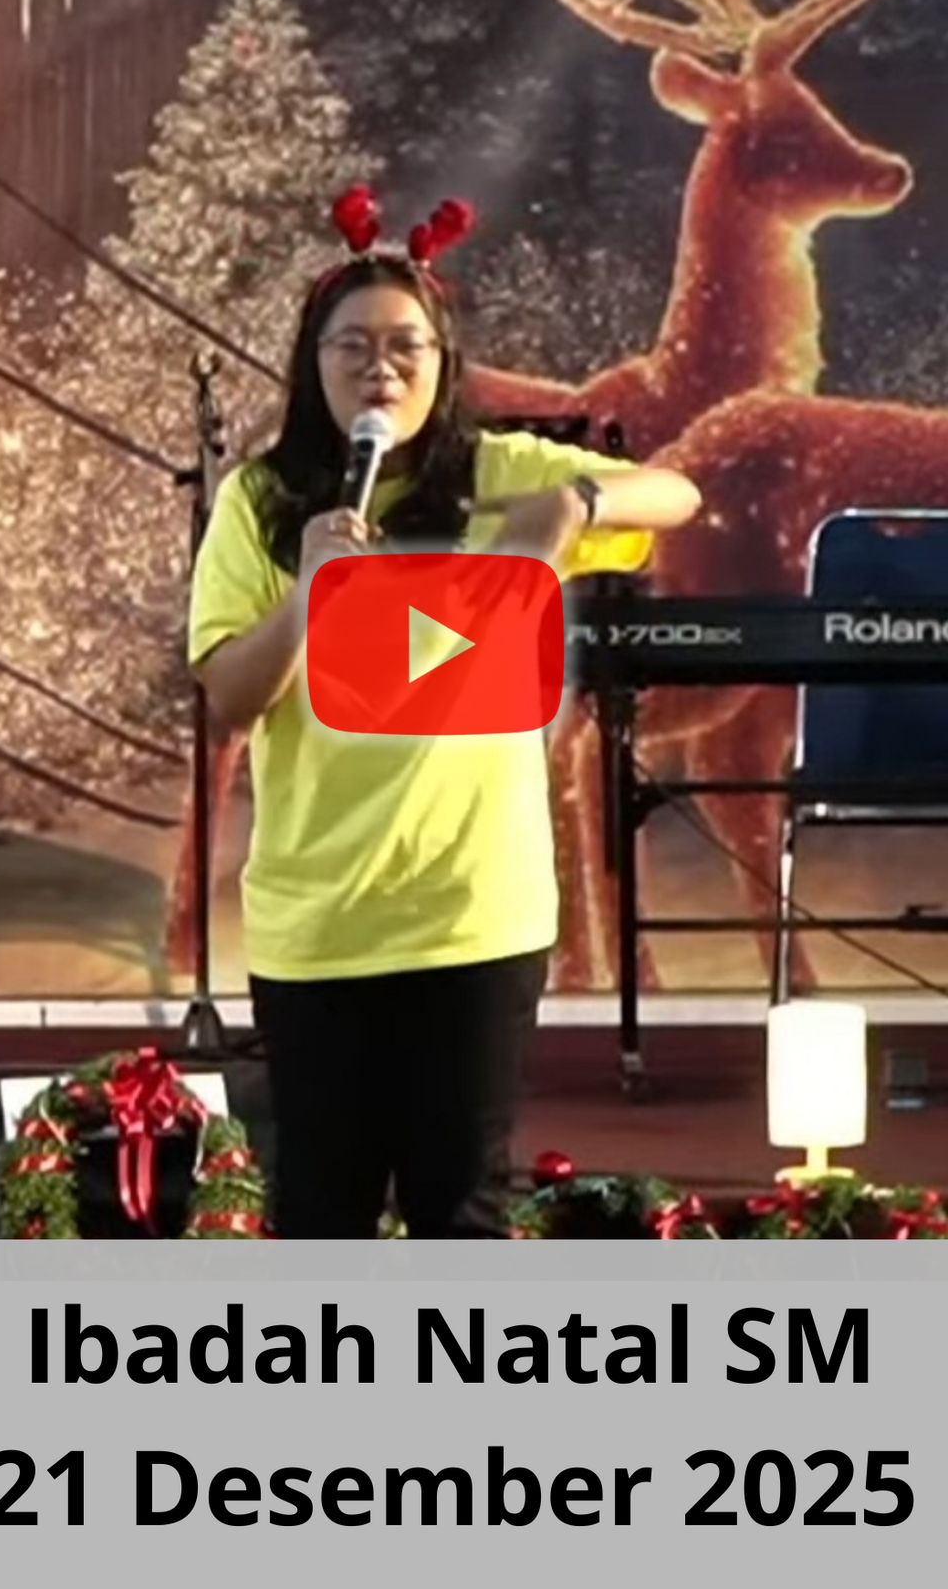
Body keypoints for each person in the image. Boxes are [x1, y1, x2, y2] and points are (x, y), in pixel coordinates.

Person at [188, 188, 701, 1238]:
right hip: (320, 922)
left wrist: (576, 503)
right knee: (321, 1206)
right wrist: (308, 595)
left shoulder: (502, 472)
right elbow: (230, 698)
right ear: (312, 363)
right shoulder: (262, 501)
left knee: (460, 1208)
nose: (380, 368)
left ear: (443, 361)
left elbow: (676, 494)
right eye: (353, 346)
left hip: (474, 916)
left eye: (405, 346)